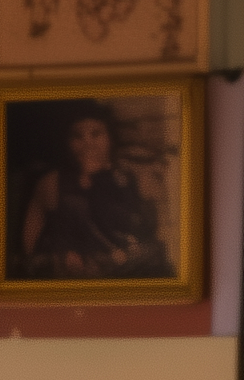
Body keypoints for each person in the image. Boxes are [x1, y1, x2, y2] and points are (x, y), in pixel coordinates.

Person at [20, 103, 165, 280]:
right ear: (67, 142)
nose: (87, 143)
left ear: (110, 139)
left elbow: (151, 233)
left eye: (96, 134)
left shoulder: (132, 178)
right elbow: (30, 241)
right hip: (69, 275)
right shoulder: (51, 182)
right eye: (77, 136)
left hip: (125, 273)